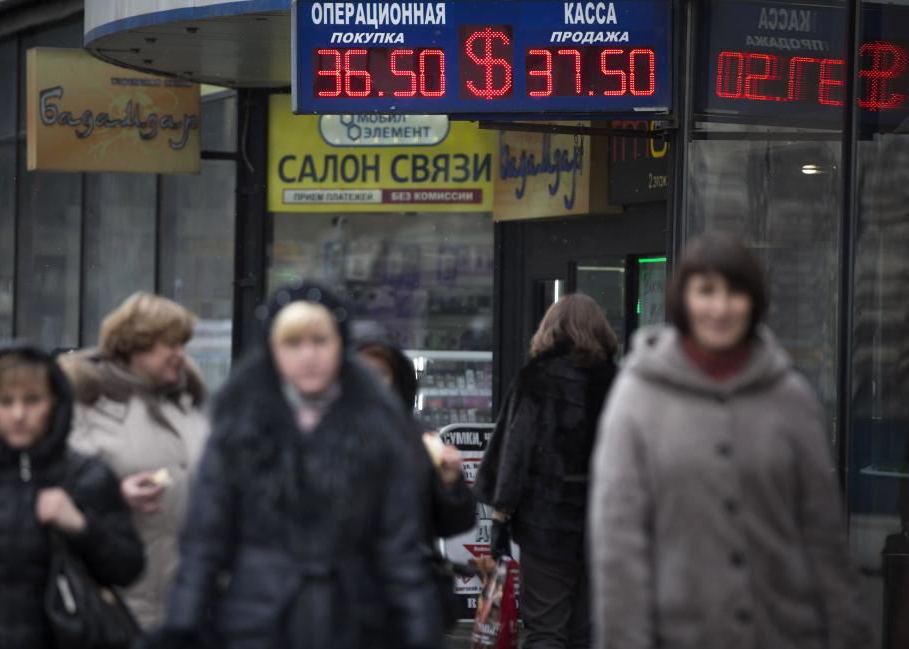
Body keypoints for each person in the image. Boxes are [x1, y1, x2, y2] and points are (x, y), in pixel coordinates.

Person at [591, 232, 869, 649]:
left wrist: (848, 633)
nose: (720, 308)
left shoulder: (788, 395)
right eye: (706, 291)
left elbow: (822, 533)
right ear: (682, 299)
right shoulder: (638, 397)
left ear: (753, 300)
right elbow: (618, 544)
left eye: (734, 292)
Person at [141, 282, 442, 649]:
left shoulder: (377, 430)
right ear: (273, 350)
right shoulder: (238, 428)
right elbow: (204, 543)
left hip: (354, 620)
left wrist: (420, 630)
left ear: (340, 345)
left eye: (320, 341)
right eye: (293, 343)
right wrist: (182, 627)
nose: (308, 355)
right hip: (256, 622)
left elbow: (399, 548)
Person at [0, 343, 144, 649]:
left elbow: (127, 567)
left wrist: (80, 526)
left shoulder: (86, 475)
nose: (18, 414)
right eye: (4, 401)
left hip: (67, 636)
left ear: (55, 403)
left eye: (32, 400)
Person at [475, 294, 619, 649]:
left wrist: (500, 518)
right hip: (603, 524)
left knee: (546, 630)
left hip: (547, 523)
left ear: (551, 329)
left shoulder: (537, 378)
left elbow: (514, 452)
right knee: (586, 632)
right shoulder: (618, 380)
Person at [59, 292, 209, 629]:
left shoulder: (188, 403)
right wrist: (115, 494)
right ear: (135, 344)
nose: (180, 354)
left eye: (183, 344)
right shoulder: (86, 403)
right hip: (114, 604)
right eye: (170, 344)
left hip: (187, 602)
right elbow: (53, 488)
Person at [351, 320, 477, 627]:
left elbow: (453, 525)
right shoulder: (316, 435)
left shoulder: (416, 438)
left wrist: (451, 485)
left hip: (403, 599)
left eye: (380, 373)